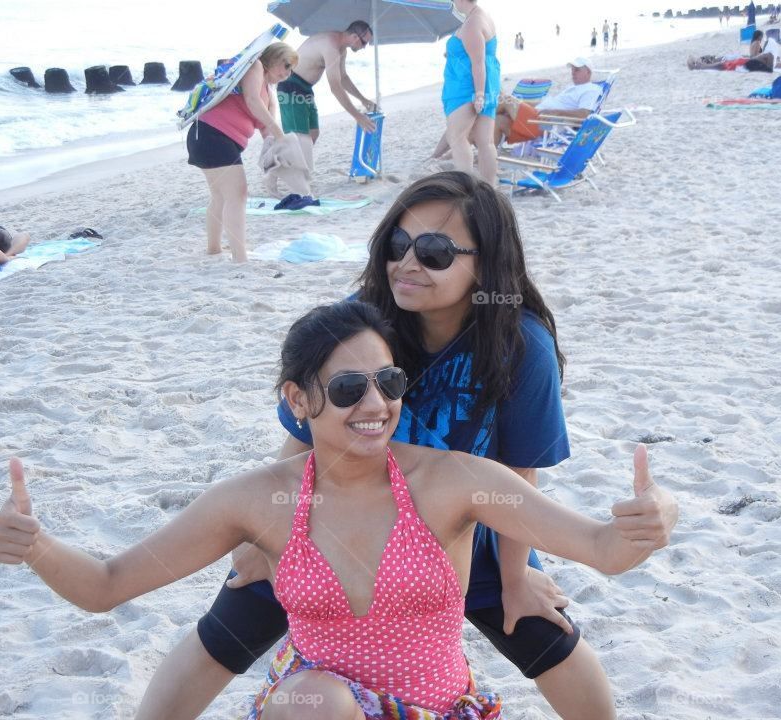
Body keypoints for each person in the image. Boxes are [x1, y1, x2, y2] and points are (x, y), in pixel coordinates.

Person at [0, 301, 680, 720]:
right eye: (349, 388)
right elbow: (107, 586)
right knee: (319, 698)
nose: (376, 405)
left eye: (389, 382)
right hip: (312, 713)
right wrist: (34, 547)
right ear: (297, 400)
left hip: (438, 710)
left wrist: (654, 515)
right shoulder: (259, 499)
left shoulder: (459, 483)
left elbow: (601, 548)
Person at [133, 172, 624, 720]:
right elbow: (302, 434)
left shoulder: (518, 342)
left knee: (545, 636)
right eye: (398, 243)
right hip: (337, 522)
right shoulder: (365, 320)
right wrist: (264, 534)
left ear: (485, 265)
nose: (409, 263)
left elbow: (518, 467)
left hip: (466, 526)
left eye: (436, 251)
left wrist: (515, 577)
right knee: (228, 628)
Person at [186, 42, 296, 263]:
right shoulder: (254, 66)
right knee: (238, 194)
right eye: (285, 65)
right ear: (272, 59)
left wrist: (278, 149)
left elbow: (265, 125)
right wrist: (279, 133)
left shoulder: (268, 89)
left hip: (209, 137)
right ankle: (240, 258)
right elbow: (252, 102)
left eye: (291, 69)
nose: (287, 73)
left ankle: (214, 250)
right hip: (212, 135)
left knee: (221, 196)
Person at [278, 22, 377, 190]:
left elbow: (343, 78)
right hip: (291, 85)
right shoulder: (330, 45)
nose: (364, 47)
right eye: (364, 42)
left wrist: (363, 99)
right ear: (354, 37)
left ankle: (282, 162)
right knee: (300, 137)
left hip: (306, 88)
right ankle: (295, 178)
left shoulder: (341, 49)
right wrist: (357, 116)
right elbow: (335, 86)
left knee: (313, 134)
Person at [442, 0, 500, 183]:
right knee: (485, 142)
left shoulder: (473, 22)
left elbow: (478, 62)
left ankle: (466, 186)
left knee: (457, 138)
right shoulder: (481, 16)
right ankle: (490, 189)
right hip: (485, 83)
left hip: (467, 88)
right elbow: (478, 55)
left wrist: (480, 95)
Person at [494, 58, 603, 145]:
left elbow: (584, 115)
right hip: (536, 118)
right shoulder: (572, 88)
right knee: (498, 120)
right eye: (572, 70)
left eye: (577, 70)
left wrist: (555, 112)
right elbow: (542, 104)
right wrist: (521, 102)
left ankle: (481, 114)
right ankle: (486, 156)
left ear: (588, 72)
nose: (573, 73)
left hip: (545, 124)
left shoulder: (591, 89)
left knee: (507, 100)